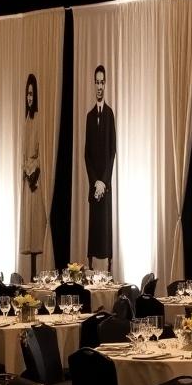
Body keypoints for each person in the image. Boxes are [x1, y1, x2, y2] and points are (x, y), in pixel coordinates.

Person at [84, 64, 116, 268]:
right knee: (93, 237)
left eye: (102, 82)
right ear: (93, 84)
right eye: (96, 82)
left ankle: (109, 269)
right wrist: (94, 181)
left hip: (105, 187)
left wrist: (103, 182)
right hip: (94, 186)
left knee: (105, 238)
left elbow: (112, 151)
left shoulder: (110, 114)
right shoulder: (88, 116)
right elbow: (86, 154)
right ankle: (90, 268)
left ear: (106, 84)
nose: (99, 86)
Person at [19, 73, 46, 272]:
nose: (29, 97)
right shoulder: (26, 120)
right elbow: (23, 154)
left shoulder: (37, 120)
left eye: (31, 93)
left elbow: (38, 153)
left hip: (35, 182)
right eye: (27, 94)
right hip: (27, 180)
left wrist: (32, 171)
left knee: (36, 229)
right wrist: (25, 170)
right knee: (27, 229)